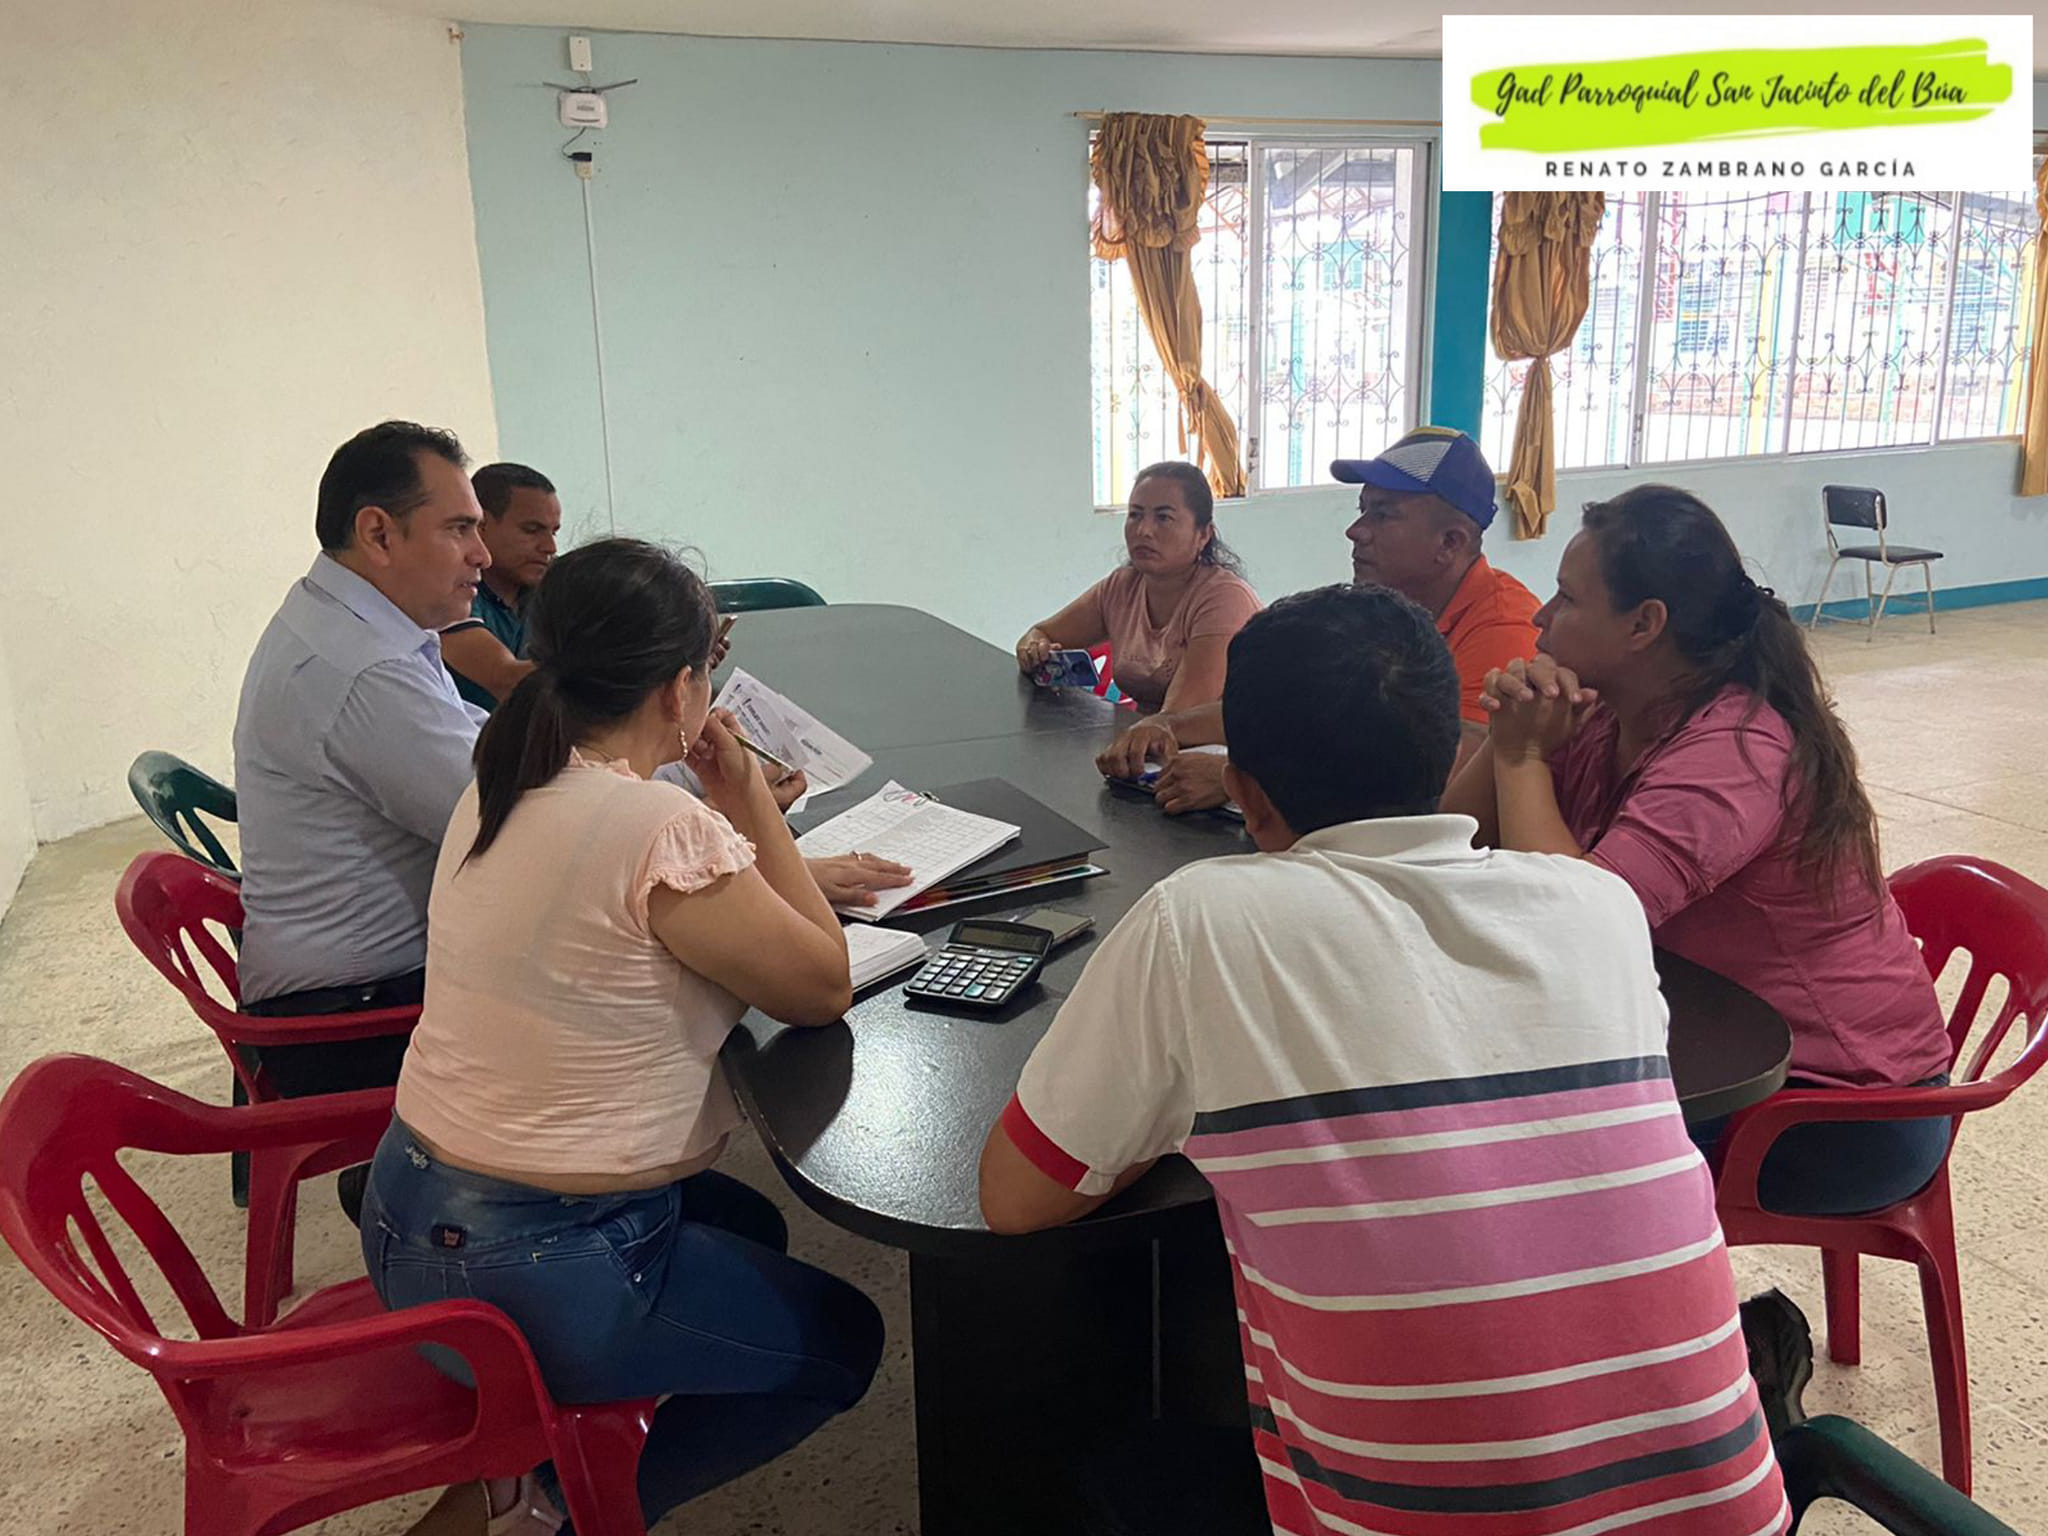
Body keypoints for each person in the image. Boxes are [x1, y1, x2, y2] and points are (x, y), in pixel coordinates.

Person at [981, 584, 1788, 1536]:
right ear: (1445, 752)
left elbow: (1016, 1200)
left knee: (1128, 1464)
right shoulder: (1595, 904)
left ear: (1246, 794)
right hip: (1728, 1515)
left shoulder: (1202, 922)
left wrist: (1179, 1106)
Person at [364, 538, 883, 1536]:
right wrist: (744, 799)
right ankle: (554, 1508)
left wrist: (728, 824)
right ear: (681, 688)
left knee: (751, 1226)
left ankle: (543, 1456)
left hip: (408, 1214)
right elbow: (821, 985)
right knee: (843, 1342)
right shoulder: (659, 826)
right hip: (524, 1264)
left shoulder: (503, 776)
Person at [1443, 485, 1954, 1216]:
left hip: (1842, 1111)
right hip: (1717, 1051)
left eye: (1568, 599)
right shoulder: (1606, 711)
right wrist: (1507, 736)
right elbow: (1452, 847)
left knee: (1508, 1154)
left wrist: (1523, 759)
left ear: (1645, 624)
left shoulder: (1737, 751)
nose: (1541, 618)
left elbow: (1576, 927)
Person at [233, 420, 491, 1097]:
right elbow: (511, 821)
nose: (482, 556)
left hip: (350, 988)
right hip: (350, 1023)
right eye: (459, 529)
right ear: (378, 533)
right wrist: (658, 773)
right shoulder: (361, 669)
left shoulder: (344, 619)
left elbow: (477, 743)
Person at [1098, 427, 1539, 812]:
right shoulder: (1378, 609)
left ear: (1450, 542)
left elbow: (1439, 784)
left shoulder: (1504, 629)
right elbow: (1286, 709)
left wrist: (1249, 782)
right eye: (1362, 509)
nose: (1356, 530)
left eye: (1382, 514)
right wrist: (1168, 725)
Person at [1015, 460, 1259, 714]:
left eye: (1164, 517)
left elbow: (1178, 718)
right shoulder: (1122, 587)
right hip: (1147, 732)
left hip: (1213, 737)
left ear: (1203, 534)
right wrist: (1034, 650)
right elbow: (1041, 634)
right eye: (1135, 515)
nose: (1144, 530)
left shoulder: (1224, 599)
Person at [441, 462, 561, 711]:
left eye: (554, 532)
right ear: (481, 526)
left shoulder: (555, 588)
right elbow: (507, 678)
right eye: (532, 530)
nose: (550, 547)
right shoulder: (447, 589)